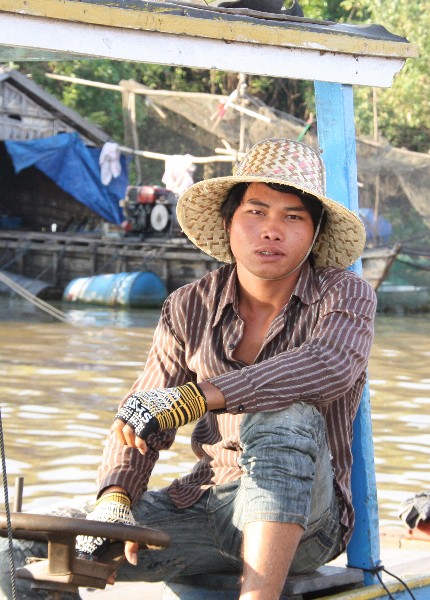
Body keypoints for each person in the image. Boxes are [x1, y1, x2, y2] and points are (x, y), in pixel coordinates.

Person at [0, 138, 376, 600]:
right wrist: (116, 499)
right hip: (206, 509)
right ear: (229, 222)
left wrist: (198, 396)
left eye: (292, 217)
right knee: (24, 548)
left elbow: (328, 365)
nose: (271, 230)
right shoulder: (187, 306)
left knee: (285, 414)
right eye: (256, 212)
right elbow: (141, 415)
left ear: (314, 234)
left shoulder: (345, 294)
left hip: (307, 525)